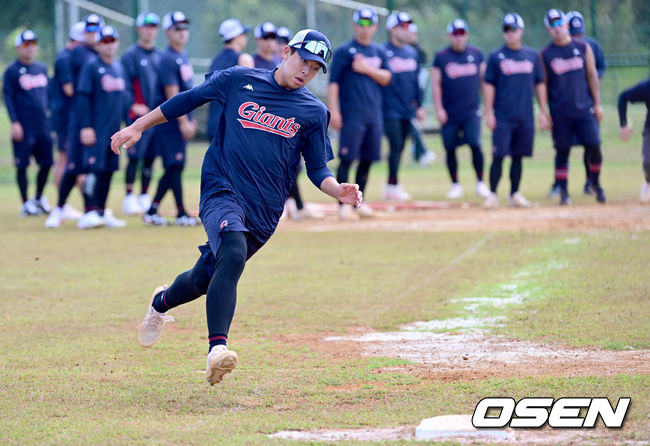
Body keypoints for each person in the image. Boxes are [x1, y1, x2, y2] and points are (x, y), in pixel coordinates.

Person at [110, 29, 362, 385]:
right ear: (285, 52)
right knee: (231, 249)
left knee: (205, 277)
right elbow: (188, 99)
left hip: (264, 210)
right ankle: (217, 350)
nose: (306, 71)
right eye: (303, 60)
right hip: (221, 188)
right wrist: (138, 126)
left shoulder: (314, 112)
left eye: (315, 68)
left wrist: (338, 190)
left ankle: (161, 302)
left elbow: (317, 168)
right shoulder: (238, 80)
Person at [328, 7, 391, 220]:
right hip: (352, 114)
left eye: (369, 24)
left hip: (373, 113)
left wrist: (367, 69)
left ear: (375, 27)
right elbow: (333, 83)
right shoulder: (345, 51)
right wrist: (334, 111)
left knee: (368, 159)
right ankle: (342, 206)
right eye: (361, 24)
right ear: (355, 25)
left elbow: (387, 78)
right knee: (347, 159)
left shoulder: (379, 52)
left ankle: (357, 203)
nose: (365, 28)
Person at [483, 13, 550, 209]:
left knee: (519, 156)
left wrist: (543, 111)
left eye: (514, 29)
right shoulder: (496, 56)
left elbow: (539, 84)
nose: (510, 33)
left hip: (525, 115)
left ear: (521, 31)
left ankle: (514, 194)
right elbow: (489, 85)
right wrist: (489, 112)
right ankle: (493, 194)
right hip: (503, 115)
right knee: (499, 155)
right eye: (506, 29)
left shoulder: (532, 55)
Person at [540, 9, 605, 205]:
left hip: (584, 109)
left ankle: (595, 183)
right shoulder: (545, 54)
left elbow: (592, 76)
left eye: (559, 23)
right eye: (552, 25)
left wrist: (598, 104)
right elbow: (542, 84)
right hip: (560, 112)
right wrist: (544, 112)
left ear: (566, 25)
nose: (557, 28)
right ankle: (564, 192)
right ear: (548, 29)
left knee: (594, 146)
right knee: (562, 151)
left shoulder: (583, 48)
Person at [47, 14, 104, 228]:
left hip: (91, 118)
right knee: (72, 164)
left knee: (87, 166)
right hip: (75, 119)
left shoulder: (95, 55)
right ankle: (61, 208)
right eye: (89, 30)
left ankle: (92, 208)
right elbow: (72, 90)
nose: (93, 34)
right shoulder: (79, 54)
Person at [143, 11, 198, 226]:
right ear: (167, 32)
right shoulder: (167, 58)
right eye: (178, 28)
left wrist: (190, 119)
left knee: (174, 166)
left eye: (185, 27)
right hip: (170, 122)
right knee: (174, 164)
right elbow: (173, 94)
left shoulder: (182, 56)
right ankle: (181, 212)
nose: (183, 32)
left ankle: (152, 209)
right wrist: (184, 121)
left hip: (179, 120)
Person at [74, 25, 129, 229]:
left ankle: (100, 210)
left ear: (117, 43)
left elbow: (123, 100)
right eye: (104, 41)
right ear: (98, 44)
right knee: (93, 170)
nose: (109, 45)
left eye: (112, 41)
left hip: (113, 130)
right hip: (96, 129)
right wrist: (86, 126)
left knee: (108, 170)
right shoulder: (91, 66)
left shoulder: (119, 68)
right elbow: (83, 98)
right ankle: (88, 211)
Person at [432, 19, 490, 200]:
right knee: (450, 148)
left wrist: (488, 108)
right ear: (450, 35)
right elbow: (436, 84)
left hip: (471, 111)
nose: (459, 37)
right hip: (450, 112)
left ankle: (480, 182)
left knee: (475, 144)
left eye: (462, 33)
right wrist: (439, 109)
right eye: (455, 34)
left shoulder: (476, 54)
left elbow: (485, 82)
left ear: (467, 35)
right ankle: (455, 184)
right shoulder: (441, 56)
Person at [3, 30, 52, 216]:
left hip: (42, 125)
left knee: (47, 162)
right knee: (22, 164)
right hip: (24, 126)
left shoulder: (41, 68)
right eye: (26, 44)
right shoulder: (12, 71)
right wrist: (15, 122)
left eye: (33, 44)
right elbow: (8, 98)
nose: (30, 48)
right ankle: (25, 203)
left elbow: (48, 97)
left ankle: (38, 198)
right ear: (18, 47)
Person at [121, 12, 162, 216]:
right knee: (134, 155)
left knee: (151, 156)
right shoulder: (130, 56)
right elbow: (124, 84)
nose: (150, 30)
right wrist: (132, 104)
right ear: (138, 29)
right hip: (137, 115)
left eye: (153, 26)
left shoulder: (159, 55)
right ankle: (129, 195)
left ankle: (144, 194)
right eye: (146, 26)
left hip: (156, 115)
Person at [381, 11, 423, 201]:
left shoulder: (411, 52)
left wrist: (419, 106)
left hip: (407, 108)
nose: (406, 30)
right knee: (395, 144)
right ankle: (392, 184)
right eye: (402, 26)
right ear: (392, 29)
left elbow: (416, 82)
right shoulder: (382, 51)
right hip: (389, 107)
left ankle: (392, 184)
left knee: (401, 146)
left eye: (407, 26)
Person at [207, 18, 254, 141]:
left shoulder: (216, 60)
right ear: (236, 36)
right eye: (243, 34)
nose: (245, 38)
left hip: (214, 123)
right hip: (234, 126)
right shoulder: (244, 59)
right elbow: (250, 94)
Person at [50, 22, 84, 193]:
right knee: (64, 156)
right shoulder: (65, 57)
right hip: (63, 115)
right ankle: (61, 204)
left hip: (69, 114)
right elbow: (69, 89)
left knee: (71, 157)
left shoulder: (70, 56)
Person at [404, 23, 435, 168]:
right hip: (403, 95)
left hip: (413, 95)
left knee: (412, 124)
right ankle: (418, 155)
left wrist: (417, 98)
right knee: (411, 125)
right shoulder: (403, 49)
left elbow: (421, 78)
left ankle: (422, 152)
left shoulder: (418, 52)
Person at [618, 77, 650, 203]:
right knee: (648, 162)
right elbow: (623, 97)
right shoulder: (647, 87)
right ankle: (648, 181)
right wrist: (623, 124)